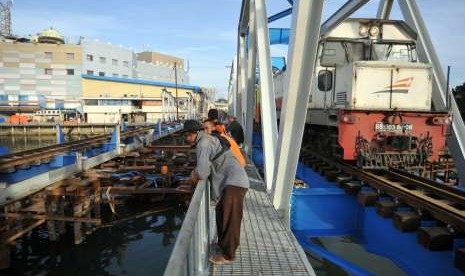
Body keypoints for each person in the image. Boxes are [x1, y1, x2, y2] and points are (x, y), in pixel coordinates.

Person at [183, 120, 249, 265]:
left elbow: (202, 172)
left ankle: (228, 255)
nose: (186, 139)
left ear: (193, 134)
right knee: (221, 214)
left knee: (230, 219)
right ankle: (222, 245)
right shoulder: (207, 139)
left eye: (186, 136)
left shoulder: (203, 143)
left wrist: (193, 176)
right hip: (230, 182)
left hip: (234, 183)